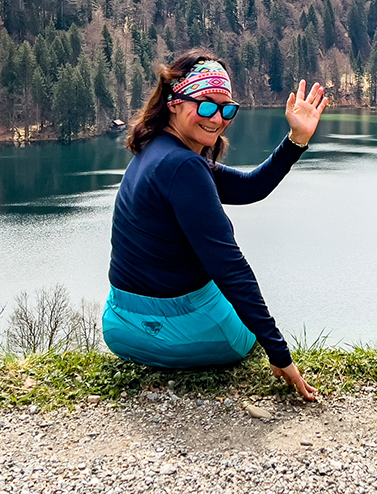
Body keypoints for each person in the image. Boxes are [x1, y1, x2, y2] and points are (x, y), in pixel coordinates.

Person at [103, 49, 327, 401]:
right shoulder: (184, 167)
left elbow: (251, 186)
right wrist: (280, 354)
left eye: (226, 109)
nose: (217, 118)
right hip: (178, 332)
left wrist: (296, 138)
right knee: (240, 323)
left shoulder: (155, 149)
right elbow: (229, 267)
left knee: (224, 295)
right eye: (206, 105)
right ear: (175, 101)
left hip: (120, 327)